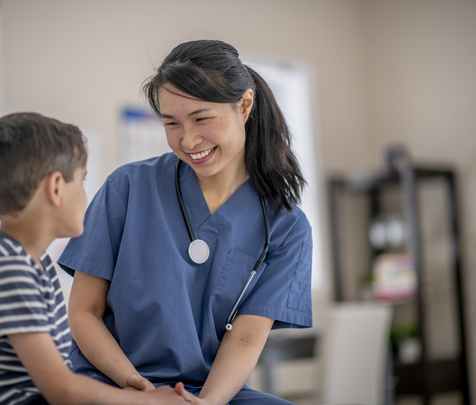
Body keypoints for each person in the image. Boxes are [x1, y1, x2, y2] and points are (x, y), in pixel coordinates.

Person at [58, 40, 313, 405]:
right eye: (172, 123)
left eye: (202, 118)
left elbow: (246, 337)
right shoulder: (128, 188)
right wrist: (139, 389)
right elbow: (85, 311)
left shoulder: (288, 228)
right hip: (112, 382)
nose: (188, 140)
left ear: (244, 105)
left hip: (205, 392)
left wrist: (207, 403)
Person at [0, 112, 192, 405]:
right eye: (81, 181)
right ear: (56, 188)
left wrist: (132, 385)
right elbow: (62, 389)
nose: (85, 194)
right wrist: (153, 401)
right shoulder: (6, 269)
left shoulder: (33, 264)